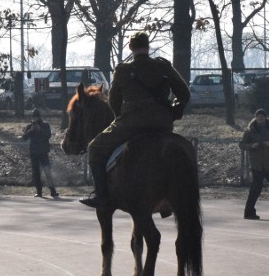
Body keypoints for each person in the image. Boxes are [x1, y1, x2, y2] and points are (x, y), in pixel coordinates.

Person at [79, 31, 190, 208]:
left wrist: (119, 118)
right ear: (147, 47)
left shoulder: (123, 70)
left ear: (130, 47)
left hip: (131, 124)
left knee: (94, 148)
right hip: (162, 123)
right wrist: (174, 113)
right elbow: (184, 93)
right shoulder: (163, 66)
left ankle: (102, 195)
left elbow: (114, 100)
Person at [22, 108, 59, 198]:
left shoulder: (45, 125)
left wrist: (39, 129)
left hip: (43, 152)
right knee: (36, 173)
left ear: (39, 117)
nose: (35, 119)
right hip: (34, 153)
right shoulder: (29, 126)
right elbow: (24, 137)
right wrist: (31, 130)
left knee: (47, 172)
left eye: (36, 117)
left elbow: (48, 135)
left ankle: (53, 191)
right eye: (34, 117)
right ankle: (39, 192)